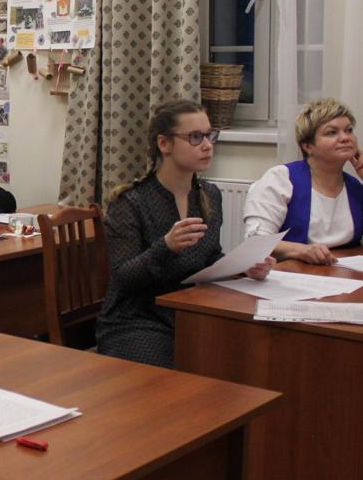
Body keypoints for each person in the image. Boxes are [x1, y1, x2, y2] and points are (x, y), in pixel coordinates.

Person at [97, 100, 273, 368]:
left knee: (247, 354)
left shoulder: (209, 195)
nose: (207, 145)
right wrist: (166, 247)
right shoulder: (130, 203)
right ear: (164, 144)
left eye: (210, 135)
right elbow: (123, 278)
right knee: (177, 371)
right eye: (195, 137)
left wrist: (243, 267)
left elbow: (210, 257)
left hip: (190, 309)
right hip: (138, 319)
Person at [243, 98, 363, 263]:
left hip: (341, 275)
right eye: (332, 132)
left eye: (349, 130)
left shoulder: (358, 188)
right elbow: (256, 242)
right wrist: (301, 250)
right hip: (290, 275)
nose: (345, 137)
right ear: (308, 146)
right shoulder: (280, 179)